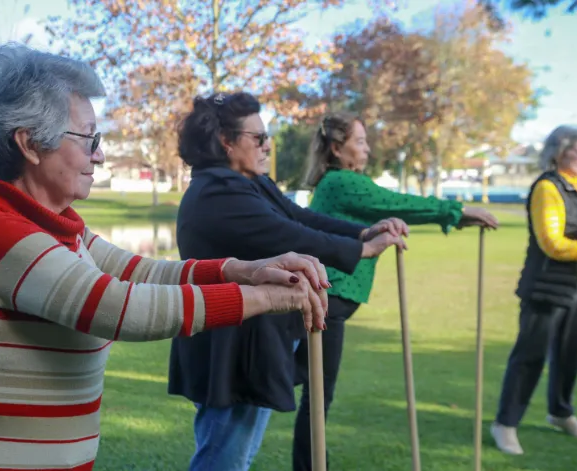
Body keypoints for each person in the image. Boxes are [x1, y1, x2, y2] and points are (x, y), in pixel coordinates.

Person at [0, 44, 331, 471]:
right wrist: (265, 299)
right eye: (89, 138)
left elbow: (139, 272)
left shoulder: (57, 228)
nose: (99, 154)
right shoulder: (0, 234)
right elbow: (121, 307)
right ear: (29, 144)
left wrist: (241, 271)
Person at [166, 92, 409, 471]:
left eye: (268, 137)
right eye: (258, 138)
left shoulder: (248, 182)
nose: (268, 146)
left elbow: (299, 217)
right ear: (226, 142)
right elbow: (288, 235)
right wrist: (359, 251)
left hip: (251, 340)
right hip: (229, 348)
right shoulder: (219, 192)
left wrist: (362, 233)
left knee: (237, 455)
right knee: (224, 458)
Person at [293, 111, 500, 470]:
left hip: (333, 300)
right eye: (360, 142)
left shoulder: (339, 183)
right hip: (329, 299)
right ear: (337, 149)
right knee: (311, 392)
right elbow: (396, 204)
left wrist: (455, 216)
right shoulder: (341, 182)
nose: (368, 149)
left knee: (313, 391)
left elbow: (390, 207)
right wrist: (457, 210)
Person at [490, 124, 577, 455]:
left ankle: (560, 412)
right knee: (530, 356)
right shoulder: (546, 188)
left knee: (569, 354)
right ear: (558, 153)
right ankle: (505, 424)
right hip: (545, 285)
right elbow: (551, 243)